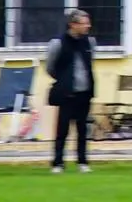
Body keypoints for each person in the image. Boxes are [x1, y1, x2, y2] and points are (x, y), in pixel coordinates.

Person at [44, 9, 95, 174]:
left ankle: (82, 161)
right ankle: (58, 163)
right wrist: (64, 80)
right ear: (73, 25)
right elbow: (50, 67)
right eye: (84, 23)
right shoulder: (58, 43)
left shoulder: (89, 42)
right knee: (62, 129)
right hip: (66, 93)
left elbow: (90, 62)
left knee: (83, 129)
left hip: (85, 92)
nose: (88, 26)